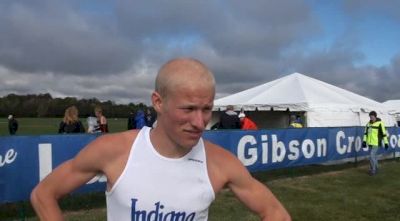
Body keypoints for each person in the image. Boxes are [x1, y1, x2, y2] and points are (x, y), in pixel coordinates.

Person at [30, 58, 291, 221]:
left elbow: (276, 213)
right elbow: (44, 194)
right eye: (188, 109)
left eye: (207, 109)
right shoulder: (114, 150)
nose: (200, 122)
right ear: (158, 102)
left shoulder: (221, 163)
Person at [362, 110, 389, 176]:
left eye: (372, 116)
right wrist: (364, 141)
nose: (371, 118)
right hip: (370, 143)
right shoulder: (368, 124)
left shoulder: (380, 123)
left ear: (375, 116)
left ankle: (373, 170)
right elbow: (365, 133)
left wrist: (386, 143)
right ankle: (376, 168)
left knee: (371, 156)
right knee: (374, 157)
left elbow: (384, 134)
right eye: (370, 116)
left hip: (376, 143)